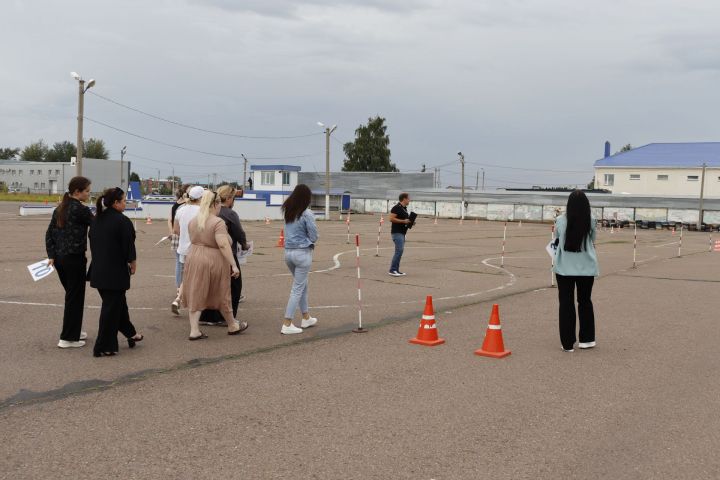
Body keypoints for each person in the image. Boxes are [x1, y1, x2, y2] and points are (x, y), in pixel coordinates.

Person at [89, 187, 143, 357]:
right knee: (110, 309)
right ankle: (103, 346)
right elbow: (129, 245)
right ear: (115, 203)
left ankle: (130, 333)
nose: (125, 203)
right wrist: (133, 262)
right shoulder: (122, 221)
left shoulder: (97, 219)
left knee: (117, 305)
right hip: (114, 272)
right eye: (124, 201)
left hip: (98, 270)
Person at [182, 190, 243, 340]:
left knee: (196, 292)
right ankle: (232, 324)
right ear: (215, 204)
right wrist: (233, 265)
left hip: (194, 257)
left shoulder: (194, 221)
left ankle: (194, 330)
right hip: (213, 259)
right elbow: (223, 244)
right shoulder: (217, 222)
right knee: (222, 292)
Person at [45, 176, 93, 349]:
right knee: (75, 297)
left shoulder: (60, 208)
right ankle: (67, 338)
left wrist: (51, 255)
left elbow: (49, 234)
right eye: (87, 191)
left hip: (59, 259)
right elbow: (97, 225)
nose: (89, 194)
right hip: (74, 259)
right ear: (77, 192)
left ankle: (74, 331)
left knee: (72, 296)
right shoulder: (80, 209)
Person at [553, 190, 599, 352]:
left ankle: (567, 343)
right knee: (585, 302)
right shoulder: (592, 220)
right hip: (586, 268)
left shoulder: (559, 220)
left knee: (566, 303)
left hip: (564, 268)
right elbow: (593, 240)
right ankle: (587, 340)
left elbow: (556, 238)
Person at [199, 185, 249, 328]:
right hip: (226, 254)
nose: (234, 201)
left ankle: (207, 315)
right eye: (233, 198)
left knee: (211, 286)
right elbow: (239, 233)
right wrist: (244, 245)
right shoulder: (229, 214)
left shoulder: (207, 213)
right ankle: (227, 317)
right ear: (228, 198)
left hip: (207, 254)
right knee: (234, 286)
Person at [280, 184, 319, 335]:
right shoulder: (306, 213)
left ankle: (306, 317)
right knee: (297, 288)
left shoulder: (289, 211)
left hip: (288, 253)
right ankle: (287, 323)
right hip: (302, 253)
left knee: (302, 286)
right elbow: (314, 236)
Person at [171, 185, 204, 314]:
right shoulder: (201, 211)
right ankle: (194, 304)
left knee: (185, 275)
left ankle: (179, 297)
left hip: (183, 248)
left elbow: (176, 231)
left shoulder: (181, 209)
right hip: (197, 248)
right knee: (198, 277)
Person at [168, 185, 190, 314]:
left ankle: (178, 289)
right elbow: (171, 220)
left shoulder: (175, 205)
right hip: (183, 235)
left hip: (177, 234)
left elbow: (170, 220)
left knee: (179, 262)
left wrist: (171, 232)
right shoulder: (185, 206)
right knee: (183, 264)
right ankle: (180, 289)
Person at [388, 192, 412, 276]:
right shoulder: (396, 208)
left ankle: (396, 270)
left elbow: (404, 220)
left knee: (399, 251)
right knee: (399, 251)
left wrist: (410, 222)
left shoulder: (404, 209)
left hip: (402, 233)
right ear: (404, 199)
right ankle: (392, 270)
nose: (410, 200)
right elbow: (391, 218)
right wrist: (403, 221)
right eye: (409, 198)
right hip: (397, 233)